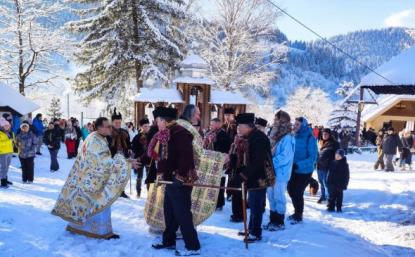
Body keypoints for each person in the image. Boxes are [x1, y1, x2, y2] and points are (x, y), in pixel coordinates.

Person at [52, 117, 139, 240]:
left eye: (110, 125)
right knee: (98, 202)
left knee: (93, 204)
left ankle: (87, 228)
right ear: (99, 128)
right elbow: (103, 161)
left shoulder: (99, 137)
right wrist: (126, 163)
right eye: (108, 126)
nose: (111, 128)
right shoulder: (95, 140)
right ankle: (99, 231)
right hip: (91, 179)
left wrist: (126, 160)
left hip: (93, 178)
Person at [151, 107, 201, 256]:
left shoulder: (180, 133)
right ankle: (168, 241)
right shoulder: (166, 133)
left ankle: (193, 247)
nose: (156, 123)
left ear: (164, 121)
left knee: (182, 213)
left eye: (158, 120)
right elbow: (164, 157)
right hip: (169, 180)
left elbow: (186, 157)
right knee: (169, 212)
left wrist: (180, 177)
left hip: (181, 180)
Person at [236, 113, 272, 242]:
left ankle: (256, 233)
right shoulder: (251, 136)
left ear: (248, 126)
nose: (238, 128)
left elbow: (258, 161)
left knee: (256, 206)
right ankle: (250, 229)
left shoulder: (259, 138)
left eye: (240, 126)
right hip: (253, 177)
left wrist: (243, 175)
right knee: (252, 204)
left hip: (259, 177)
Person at [265, 110, 295, 231]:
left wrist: (270, 162)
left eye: (278, 120)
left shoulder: (288, 137)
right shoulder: (273, 135)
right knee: (271, 196)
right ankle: (272, 220)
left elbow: (285, 156)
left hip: (280, 172)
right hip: (271, 171)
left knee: (279, 197)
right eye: (275, 120)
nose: (275, 122)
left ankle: (279, 221)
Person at [288, 117, 318, 224]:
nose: (294, 126)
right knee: (290, 190)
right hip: (293, 169)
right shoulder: (293, 135)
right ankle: (297, 212)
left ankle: (298, 215)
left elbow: (313, 157)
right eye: (294, 124)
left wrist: (298, 165)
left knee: (297, 192)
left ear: (303, 126)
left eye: (297, 124)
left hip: (305, 171)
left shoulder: (310, 138)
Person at [203, 118, 231, 210]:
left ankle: (219, 203)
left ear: (218, 125)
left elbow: (222, 150)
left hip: (220, 162)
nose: (210, 126)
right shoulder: (210, 133)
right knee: (211, 184)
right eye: (210, 124)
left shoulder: (223, 135)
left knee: (219, 184)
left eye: (212, 124)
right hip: (211, 161)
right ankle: (212, 202)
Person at [108, 108, 131, 198]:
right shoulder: (109, 132)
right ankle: (113, 191)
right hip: (112, 156)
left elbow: (129, 143)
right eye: (116, 122)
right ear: (112, 122)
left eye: (119, 122)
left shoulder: (124, 132)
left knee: (123, 174)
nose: (118, 124)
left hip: (123, 155)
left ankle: (122, 191)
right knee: (113, 174)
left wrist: (129, 148)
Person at [316, 128, 340, 204]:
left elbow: (338, 155)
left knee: (327, 183)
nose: (324, 135)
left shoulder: (334, 143)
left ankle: (331, 198)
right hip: (319, 166)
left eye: (326, 134)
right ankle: (323, 196)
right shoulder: (321, 142)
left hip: (328, 167)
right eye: (323, 134)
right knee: (321, 182)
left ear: (329, 135)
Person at [131, 118, 151, 197]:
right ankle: (138, 192)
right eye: (145, 126)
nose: (147, 128)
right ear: (141, 127)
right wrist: (139, 155)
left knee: (149, 176)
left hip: (149, 159)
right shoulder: (137, 137)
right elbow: (134, 148)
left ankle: (149, 193)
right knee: (139, 176)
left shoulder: (151, 135)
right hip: (139, 158)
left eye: (148, 126)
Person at [0, 118, 14, 188]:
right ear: (2, 126)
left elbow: (12, 142)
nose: (7, 126)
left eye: (8, 125)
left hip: (9, 152)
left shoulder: (9, 133)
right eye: (5, 125)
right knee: (3, 167)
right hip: (2, 153)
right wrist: (9, 141)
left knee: (7, 167)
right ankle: (3, 182)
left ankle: (5, 178)